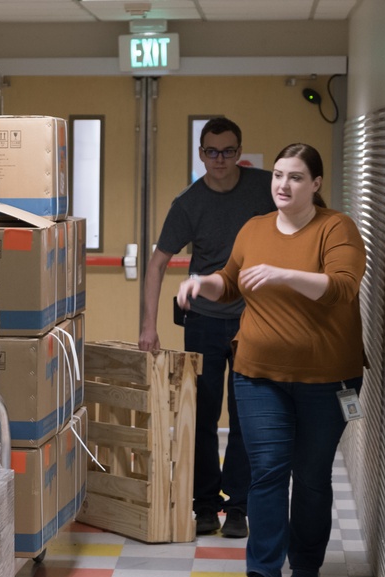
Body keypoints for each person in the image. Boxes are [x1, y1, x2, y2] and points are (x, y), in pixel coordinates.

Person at [176, 143, 366, 577]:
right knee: (268, 471)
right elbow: (232, 280)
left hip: (327, 379)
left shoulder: (336, 228)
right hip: (258, 373)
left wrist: (283, 275)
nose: (283, 184)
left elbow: (343, 287)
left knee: (313, 475)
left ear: (316, 184)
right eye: (279, 175)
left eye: (296, 177)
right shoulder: (255, 228)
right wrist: (204, 282)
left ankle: (305, 563)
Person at [139, 117, 276, 538]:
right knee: (200, 415)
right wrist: (149, 326)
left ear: (240, 151)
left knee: (245, 415)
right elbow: (158, 262)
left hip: (255, 320)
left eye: (229, 151)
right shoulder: (188, 202)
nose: (220, 159)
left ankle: (237, 507)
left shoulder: (265, 187)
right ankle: (203, 505)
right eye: (212, 152)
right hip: (204, 323)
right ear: (201, 153)